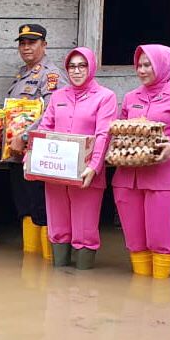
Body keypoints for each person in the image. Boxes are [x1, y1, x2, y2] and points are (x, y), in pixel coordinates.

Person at [112, 44, 170, 279]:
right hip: (128, 178)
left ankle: (159, 299)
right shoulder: (131, 97)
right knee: (135, 240)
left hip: (163, 179)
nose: (141, 70)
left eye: (147, 64)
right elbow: (120, 130)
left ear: (163, 65)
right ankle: (142, 294)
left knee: (159, 239)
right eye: (139, 65)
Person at [0, 23, 68, 260]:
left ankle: (50, 263)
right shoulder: (22, 74)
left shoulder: (51, 75)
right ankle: (31, 261)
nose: (26, 47)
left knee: (41, 207)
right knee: (25, 206)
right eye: (22, 43)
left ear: (44, 45)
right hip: (17, 154)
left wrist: (25, 137)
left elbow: (53, 112)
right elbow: (17, 114)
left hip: (38, 152)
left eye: (32, 42)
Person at [38, 47, 117, 270]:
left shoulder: (105, 97)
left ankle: (83, 282)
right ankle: (59, 279)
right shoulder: (58, 96)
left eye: (82, 65)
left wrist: (93, 166)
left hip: (86, 173)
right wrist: (32, 157)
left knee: (85, 227)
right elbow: (45, 128)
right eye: (72, 66)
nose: (77, 70)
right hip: (56, 171)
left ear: (91, 67)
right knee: (57, 225)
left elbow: (104, 133)